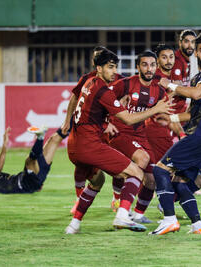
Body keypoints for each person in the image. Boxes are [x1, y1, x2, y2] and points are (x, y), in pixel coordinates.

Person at [64, 48, 173, 234]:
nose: (114, 72)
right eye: (110, 68)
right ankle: (123, 215)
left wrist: (105, 122)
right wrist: (155, 110)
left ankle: (73, 225)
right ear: (99, 68)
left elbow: (88, 108)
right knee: (136, 172)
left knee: (97, 182)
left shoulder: (89, 82)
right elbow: (128, 119)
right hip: (90, 145)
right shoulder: (104, 89)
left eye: (115, 68)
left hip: (74, 146)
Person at [150, 32, 201, 235]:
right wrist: (170, 119)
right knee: (181, 183)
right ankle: (197, 226)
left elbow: (197, 93)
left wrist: (170, 85)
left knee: (160, 170)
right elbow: (191, 113)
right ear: (196, 54)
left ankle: (169, 219)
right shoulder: (197, 78)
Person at [108, 50, 169, 224]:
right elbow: (102, 101)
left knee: (152, 178)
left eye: (152, 65)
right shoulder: (125, 85)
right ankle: (122, 214)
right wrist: (106, 123)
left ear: (156, 67)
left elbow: (163, 112)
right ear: (137, 67)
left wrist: (171, 123)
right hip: (120, 133)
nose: (149, 69)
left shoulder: (159, 92)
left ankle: (138, 214)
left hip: (139, 134)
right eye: (144, 64)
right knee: (141, 159)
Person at [61, 46, 122, 215]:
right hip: (90, 130)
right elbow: (75, 99)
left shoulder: (114, 78)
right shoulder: (89, 80)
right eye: (97, 59)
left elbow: (126, 92)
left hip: (105, 129)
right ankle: (80, 200)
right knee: (85, 166)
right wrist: (67, 120)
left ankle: (116, 199)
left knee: (117, 165)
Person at [0, 126, 66, 194]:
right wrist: (4, 145)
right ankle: (40, 137)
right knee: (29, 161)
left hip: (31, 181)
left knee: (54, 139)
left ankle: (73, 118)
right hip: (24, 184)